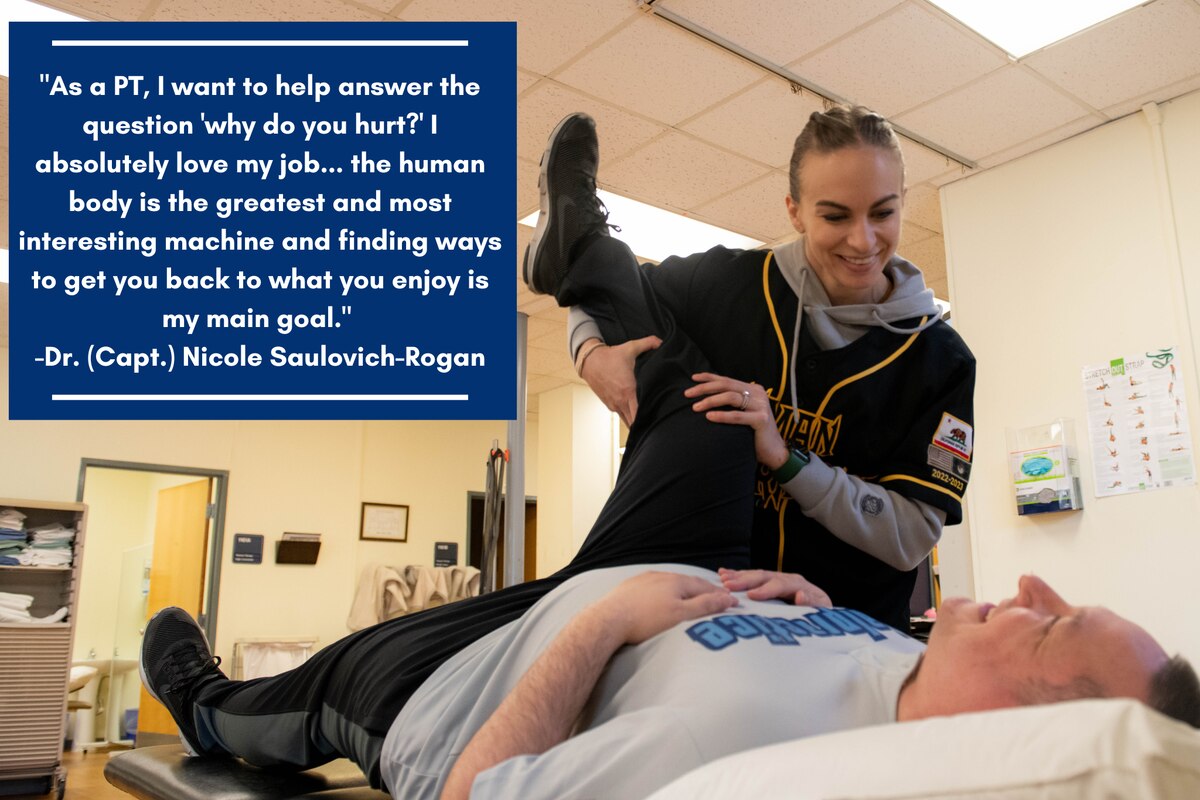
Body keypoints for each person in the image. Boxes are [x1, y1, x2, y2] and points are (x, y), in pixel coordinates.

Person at [140, 241, 1199, 797]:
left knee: (279, 703)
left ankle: (197, 696)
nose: (1031, 587)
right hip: (654, 568)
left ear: (1032, 731)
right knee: (711, 407)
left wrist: (602, 624)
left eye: (1054, 623)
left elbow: (478, 793)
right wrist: (814, 602)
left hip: (460, 681)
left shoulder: (765, 763)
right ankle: (588, 259)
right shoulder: (909, 663)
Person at [524, 108, 976, 630]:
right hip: (708, 613)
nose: (862, 241)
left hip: (845, 634)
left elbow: (910, 537)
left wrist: (786, 460)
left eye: (882, 213)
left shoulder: (939, 360)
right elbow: (610, 305)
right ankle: (579, 246)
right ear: (794, 211)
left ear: (902, 202)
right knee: (675, 369)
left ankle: (583, 249)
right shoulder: (730, 281)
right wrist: (591, 356)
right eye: (834, 216)